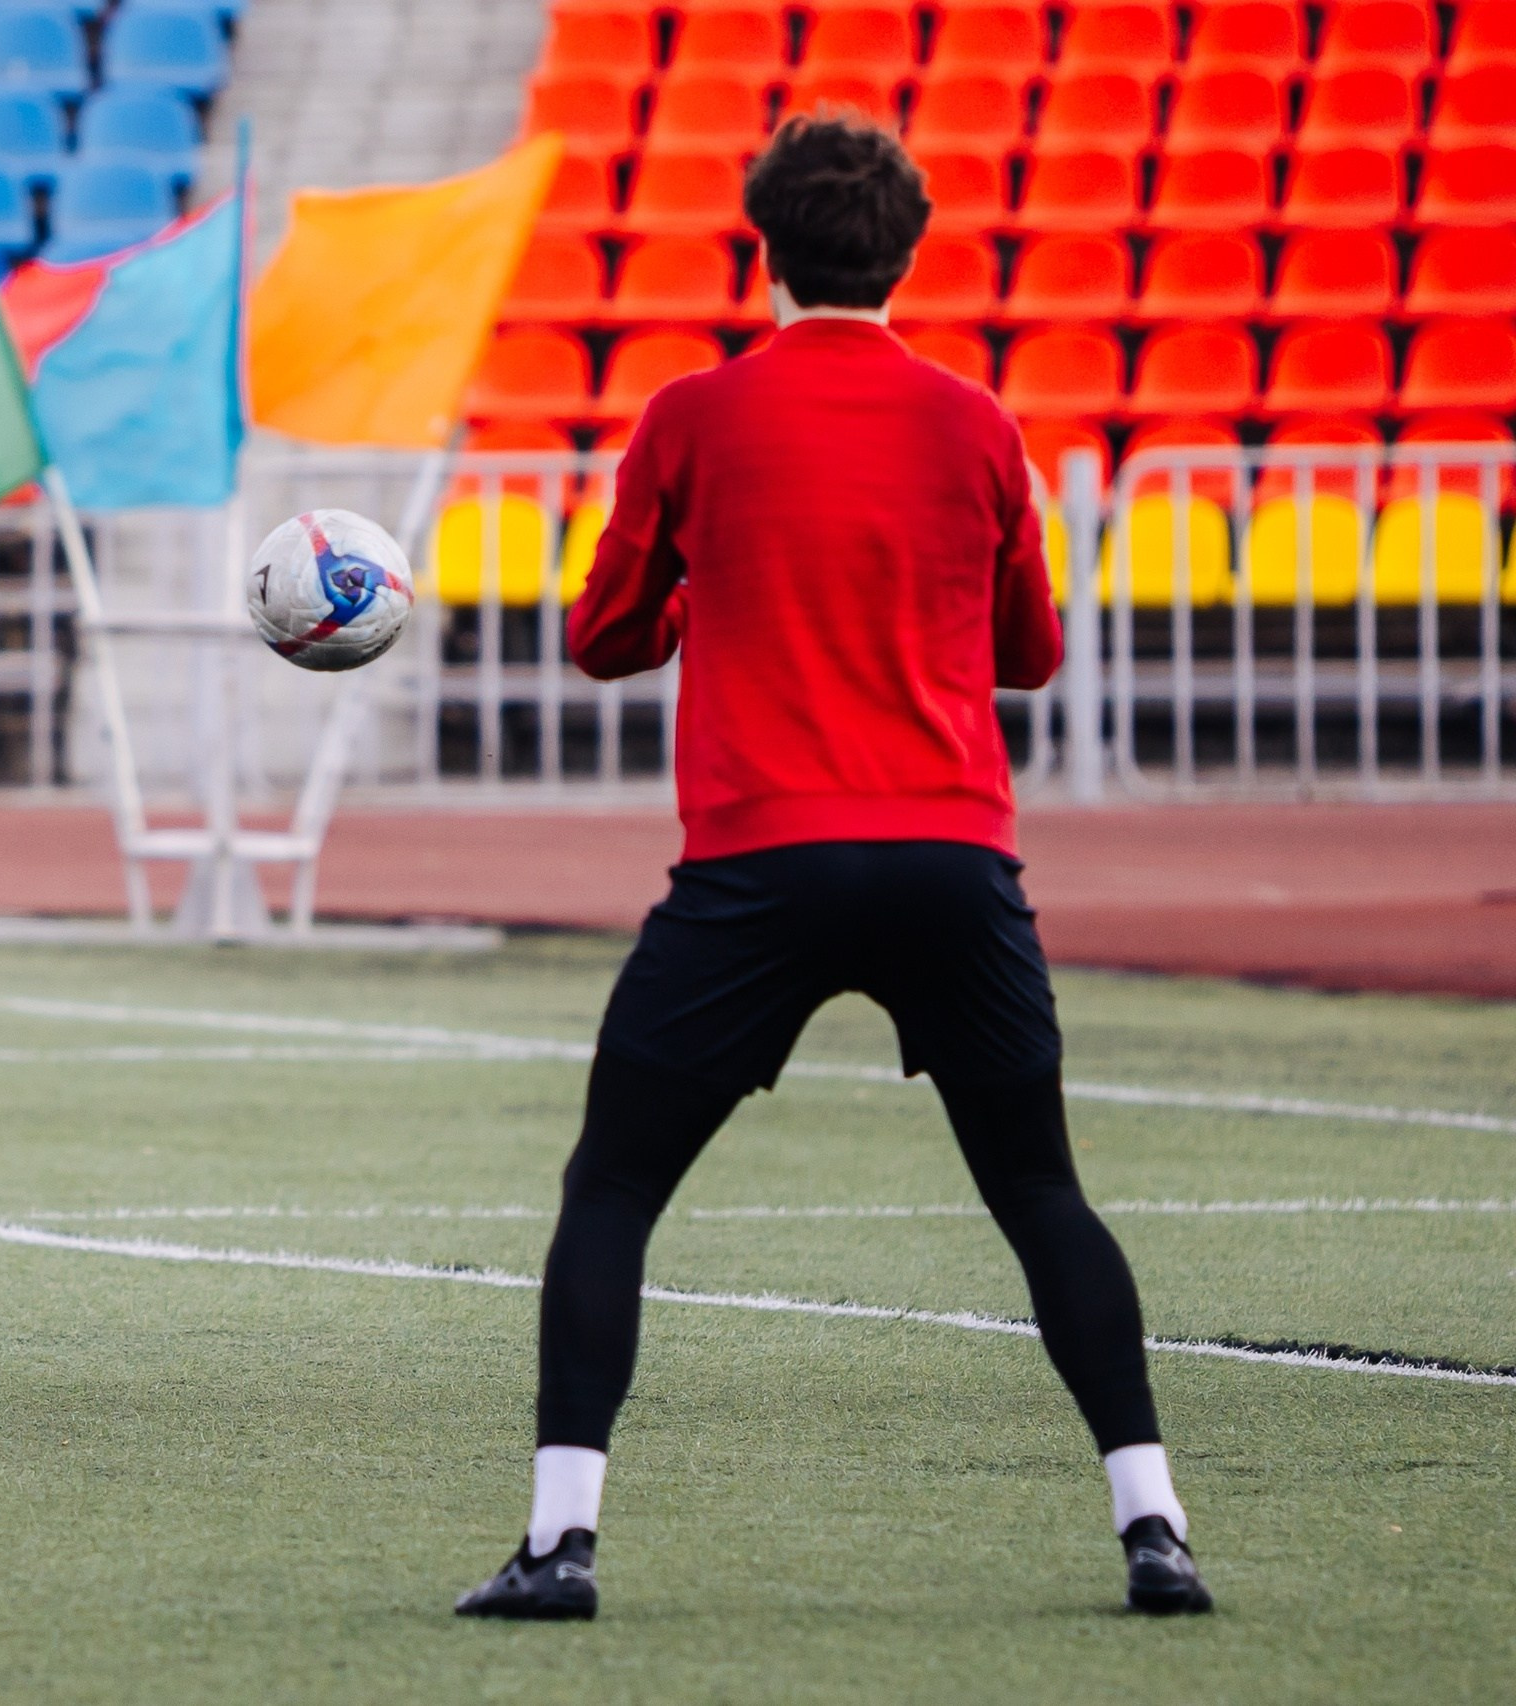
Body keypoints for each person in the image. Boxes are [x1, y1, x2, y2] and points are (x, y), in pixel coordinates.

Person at [453, 115, 1211, 1620]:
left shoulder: (694, 415)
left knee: (611, 1188)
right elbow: (1033, 653)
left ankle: (561, 1544)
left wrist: (695, 607)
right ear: (907, 253)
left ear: (766, 248)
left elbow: (602, 638)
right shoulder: (975, 423)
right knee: (1044, 1191)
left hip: (762, 858)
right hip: (949, 850)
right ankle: (1156, 1524)